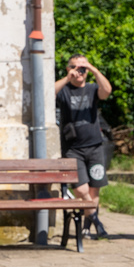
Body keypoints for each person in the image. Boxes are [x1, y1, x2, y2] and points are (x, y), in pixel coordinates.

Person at [55, 54, 113, 238]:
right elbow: (47, 94)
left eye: (83, 68)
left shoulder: (92, 88)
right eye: (75, 67)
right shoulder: (64, 89)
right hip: (73, 149)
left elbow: (107, 91)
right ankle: (97, 221)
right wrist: (68, 77)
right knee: (81, 189)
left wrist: (94, 69)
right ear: (68, 68)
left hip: (95, 146)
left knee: (95, 187)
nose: (79, 72)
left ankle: (87, 226)